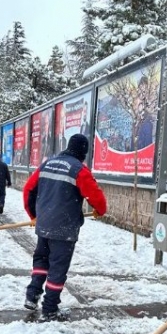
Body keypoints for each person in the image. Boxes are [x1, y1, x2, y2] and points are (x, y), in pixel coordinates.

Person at [23, 134, 107, 321]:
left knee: (41, 262)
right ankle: (50, 308)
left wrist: (34, 216)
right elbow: (96, 197)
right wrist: (100, 210)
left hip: (44, 224)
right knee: (57, 269)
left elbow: (29, 189)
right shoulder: (79, 170)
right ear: (83, 152)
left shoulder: (47, 164)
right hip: (64, 228)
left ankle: (32, 295)